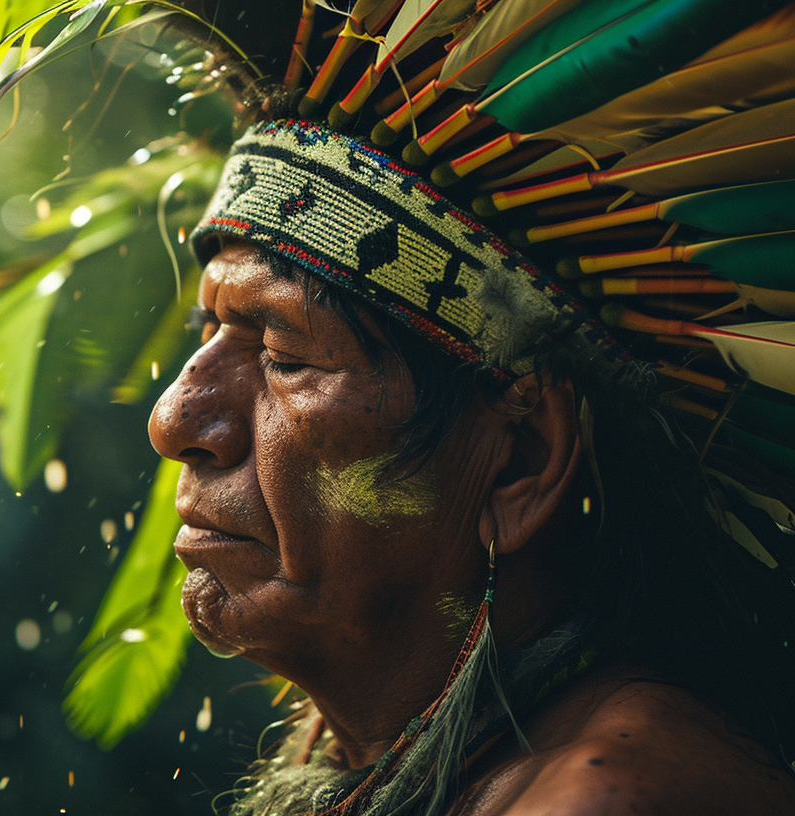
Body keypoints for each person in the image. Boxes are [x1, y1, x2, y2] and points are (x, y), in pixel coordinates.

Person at [144, 2, 795, 813]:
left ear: (518, 461)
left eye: (282, 357)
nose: (173, 421)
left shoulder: (612, 796)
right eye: (210, 331)